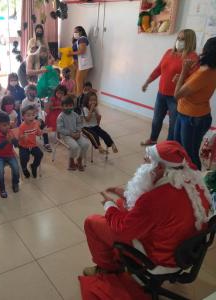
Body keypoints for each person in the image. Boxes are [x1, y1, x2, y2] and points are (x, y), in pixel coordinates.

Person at [83, 141, 211, 276]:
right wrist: (126, 194)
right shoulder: (193, 182)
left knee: (92, 222)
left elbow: (123, 231)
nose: (144, 162)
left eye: (148, 160)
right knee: (122, 203)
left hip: (161, 258)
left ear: (161, 167)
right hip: (183, 249)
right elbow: (156, 207)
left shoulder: (156, 199)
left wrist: (109, 206)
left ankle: (107, 268)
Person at [141, 29, 199, 145]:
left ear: (189, 41)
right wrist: (147, 81)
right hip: (161, 94)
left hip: (176, 97)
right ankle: (153, 140)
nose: (179, 41)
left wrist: (182, 79)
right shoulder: (169, 52)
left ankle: (169, 146)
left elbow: (194, 80)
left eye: (183, 39)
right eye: (178, 38)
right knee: (156, 120)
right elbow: (159, 69)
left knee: (173, 124)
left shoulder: (192, 57)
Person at [174, 37, 216, 170]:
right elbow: (194, 88)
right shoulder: (207, 69)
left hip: (193, 118)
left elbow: (177, 95)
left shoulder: (205, 73)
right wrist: (183, 79)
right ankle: (183, 179)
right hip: (188, 115)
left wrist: (183, 72)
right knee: (179, 148)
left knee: (189, 154)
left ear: (207, 51)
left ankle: (196, 184)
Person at [57, 96, 89, 171]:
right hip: (66, 136)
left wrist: (78, 131)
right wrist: (71, 134)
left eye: (70, 105)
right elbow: (60, 129)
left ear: (73, 106)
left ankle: (79, 159)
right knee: (75, 147)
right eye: (66, 106)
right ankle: (71, 161)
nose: (68, 108)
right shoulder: (60, 117)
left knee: (86, 144)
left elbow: (79, 124)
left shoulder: (75, 114)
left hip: (76, 133)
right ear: (62, 106)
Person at [0, 112, 20, 198]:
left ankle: (15, 184)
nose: (7, 127)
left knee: (16, 169)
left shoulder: (10, 132)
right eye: (4, 125)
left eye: (8, 124)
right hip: (0, 156)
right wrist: (6, 140)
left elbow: (16, 145)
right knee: (0, 172)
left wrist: (14, 140)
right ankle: (2, 189)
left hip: (10, 154)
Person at [21, 84, 52, 152]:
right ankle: (28, 144)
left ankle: (46, 143)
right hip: (28, 119)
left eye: (34, 94)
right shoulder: (24, 102)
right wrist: (29, 121)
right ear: (26, 93)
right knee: (29, 129)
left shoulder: (37, 100)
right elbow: (23, 114)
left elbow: (40, 111)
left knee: (44, 126)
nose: (32, 96)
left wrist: (40, 119)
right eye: (30, 94)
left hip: (36, 117)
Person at [18, 105, 44, 178]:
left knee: (40, 154)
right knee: (24, 158)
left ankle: (34, 166)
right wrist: (23, 137)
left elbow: (38, 133)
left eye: (33, 115)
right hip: (23, 146)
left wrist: (42, 132)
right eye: (28, 115)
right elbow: (19, 138)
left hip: (33, 145)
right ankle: (24, 168)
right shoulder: (22, 126)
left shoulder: (35, 123)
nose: (31, 117)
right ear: (23, 116)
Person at [68, 26, 93, 95]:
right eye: (74, 32)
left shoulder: (82, 39)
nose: (74, 33)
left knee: (78, 80)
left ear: (81, 32)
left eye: (76, 32)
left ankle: (79, 97)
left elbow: (82, 51)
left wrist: (71, 53)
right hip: (81, 64)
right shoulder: (78, 40)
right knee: (79, 81)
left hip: (84, 64)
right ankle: (78, 95)